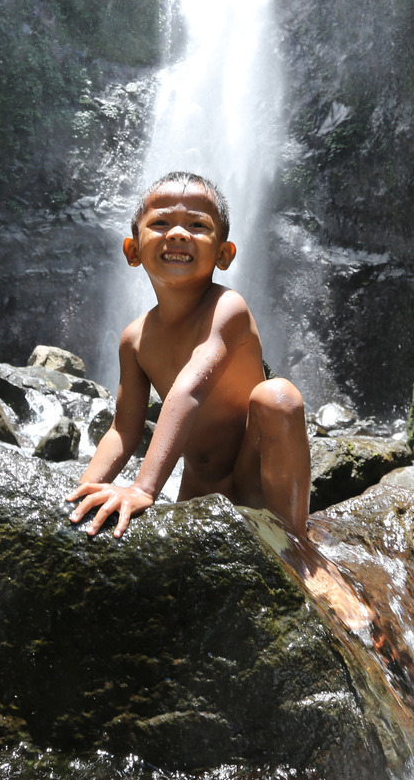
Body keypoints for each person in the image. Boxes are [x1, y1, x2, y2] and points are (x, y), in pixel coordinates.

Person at [66, 170, 312, 540]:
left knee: (278, 396)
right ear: (132, 250)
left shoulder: (228, 308)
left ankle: (296, 547)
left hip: (254, 484)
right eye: (161, 222)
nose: (178, 234)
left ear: (224, 254)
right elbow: (123, 430)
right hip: (199, 493)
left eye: (197, 225)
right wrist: (83, 491)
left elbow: (188, 391)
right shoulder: (134, 339)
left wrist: (143, 489)